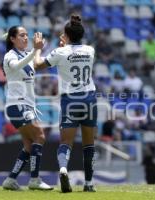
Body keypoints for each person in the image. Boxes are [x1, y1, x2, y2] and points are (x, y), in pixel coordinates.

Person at [34, 14, 97, 192]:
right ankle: (89, 184)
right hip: (89, 99)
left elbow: (38, 65)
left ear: (66, 35)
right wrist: (66, 45)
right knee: (89, 144)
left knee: (65, 143)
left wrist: (38, 49)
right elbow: (72, 55)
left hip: (70, 100)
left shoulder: (59, 52)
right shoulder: (90, 50)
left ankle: (63, 169)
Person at [1, 26, 52, 191]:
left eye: (26, 35)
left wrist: (62, 50)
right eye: (22, 35)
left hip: (27, 105)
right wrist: (34, 51)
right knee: (40, 135)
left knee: (29, 146)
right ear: (12, 39)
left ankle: (10, 180)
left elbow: (37, 62)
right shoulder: (10, 56)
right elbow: (15, 67)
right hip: (18, 104)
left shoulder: (25, 55)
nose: (25, 38)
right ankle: (35, 179)